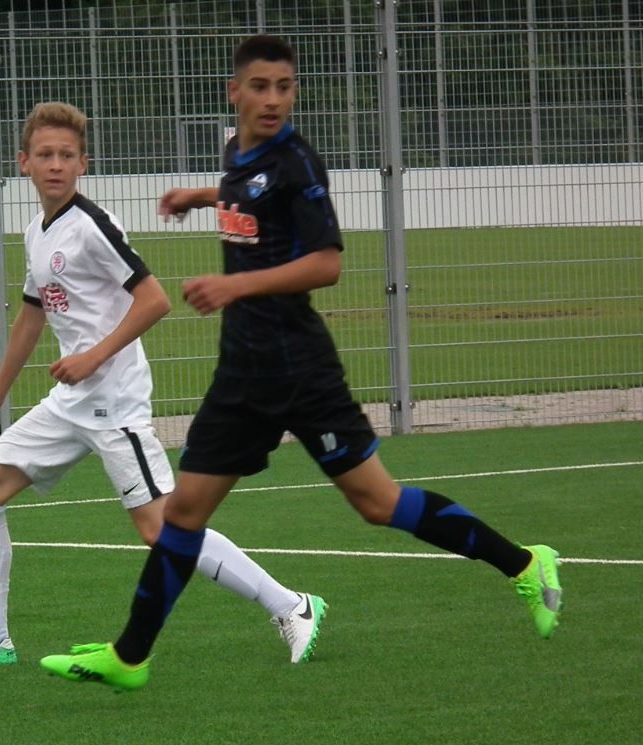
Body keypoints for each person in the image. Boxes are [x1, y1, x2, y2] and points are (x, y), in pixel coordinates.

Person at [39, 36, 563, 692]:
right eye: (260, 86)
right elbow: (246, 192)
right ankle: (130, 656)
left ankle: (525, 564)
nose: (273, 100)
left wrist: (234, 285)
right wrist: (200, 197)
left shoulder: (297, 161)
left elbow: (327, 263)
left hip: (301, 371)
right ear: (235, 92)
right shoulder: (237, 152)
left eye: (284, 87)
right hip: (242, 373)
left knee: (378, 502)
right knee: (183, 514)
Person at [0, 101, 326, 669]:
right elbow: (32, 316)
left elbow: (154, 300)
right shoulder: (37, 232)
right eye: (45, 154)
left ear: (83, 164)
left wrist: (93, 356)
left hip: (113, 401)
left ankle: (292, 605)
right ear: (24, 162)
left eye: (67, 155)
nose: (56, 164)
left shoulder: (92, 224)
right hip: (72, 400)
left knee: (161, 529)